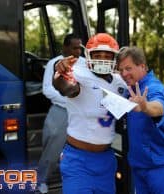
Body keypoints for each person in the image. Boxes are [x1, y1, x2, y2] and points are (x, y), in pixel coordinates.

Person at [53, 33, 126, 194]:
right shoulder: (79, 74)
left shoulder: (120, 82)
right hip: (78, 160)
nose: (102, 59)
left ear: (115, 57)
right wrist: (59, 74)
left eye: (107, 56)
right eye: (97, 55)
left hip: (106, 159)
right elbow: (66, 87)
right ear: (88, 56)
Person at [116, 47, 164, 194]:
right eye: (121, 70)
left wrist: (145, 106)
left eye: (128, 68)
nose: (124, 74)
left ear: (142, 66)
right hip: (140, 165)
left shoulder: (153, 87)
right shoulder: (130, 87)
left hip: (163, 164)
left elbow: (159, 107)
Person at [37, 33, 85, 194]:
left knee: (78, 150)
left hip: (80, 114)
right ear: (65, 47)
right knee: (51, 149)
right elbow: (47, 89)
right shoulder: (54, 64)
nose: (78, 51)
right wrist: (71, 99)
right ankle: (41, 181)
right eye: (74, 47)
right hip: (60, 112)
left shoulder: (85, 64)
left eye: (80, 47)